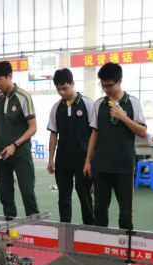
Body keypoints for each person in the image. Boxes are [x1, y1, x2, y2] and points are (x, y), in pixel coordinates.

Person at [84, 62, 147, 229]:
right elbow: (95, 133)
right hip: (101, 166)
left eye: (109, 85)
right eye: (102, 85)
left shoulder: (133, 102)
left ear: (120, 81)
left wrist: (123, 117)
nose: (105, 89)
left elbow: (142, 132)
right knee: (99, 212)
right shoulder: (99, 104)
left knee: (125, 213)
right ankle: (100, 242)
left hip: (124, 166)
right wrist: (88, 161)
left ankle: (125, 244)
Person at [0, 61, 39, 219]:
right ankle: (10, 225)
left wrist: (14, 145)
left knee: (27, 193)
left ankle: (35, 226)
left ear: (10, 76)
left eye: (0, 79)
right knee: (5, 194)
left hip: (20, 153)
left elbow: (33, 128)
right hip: (1, 154)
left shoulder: (23, 97)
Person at [48, 68, 95, 225]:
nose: (62, 92)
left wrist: (90, 160)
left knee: (85, 197)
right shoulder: (56, 107)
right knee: (63, 198)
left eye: (65, 88)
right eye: (58, 89)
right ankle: (65, 228)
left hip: (83, 160)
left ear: (73, 83)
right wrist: (51, 159)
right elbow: (53, 134)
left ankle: (89, 230)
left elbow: (95, 133)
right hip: (63, 160)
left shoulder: (87, 103)